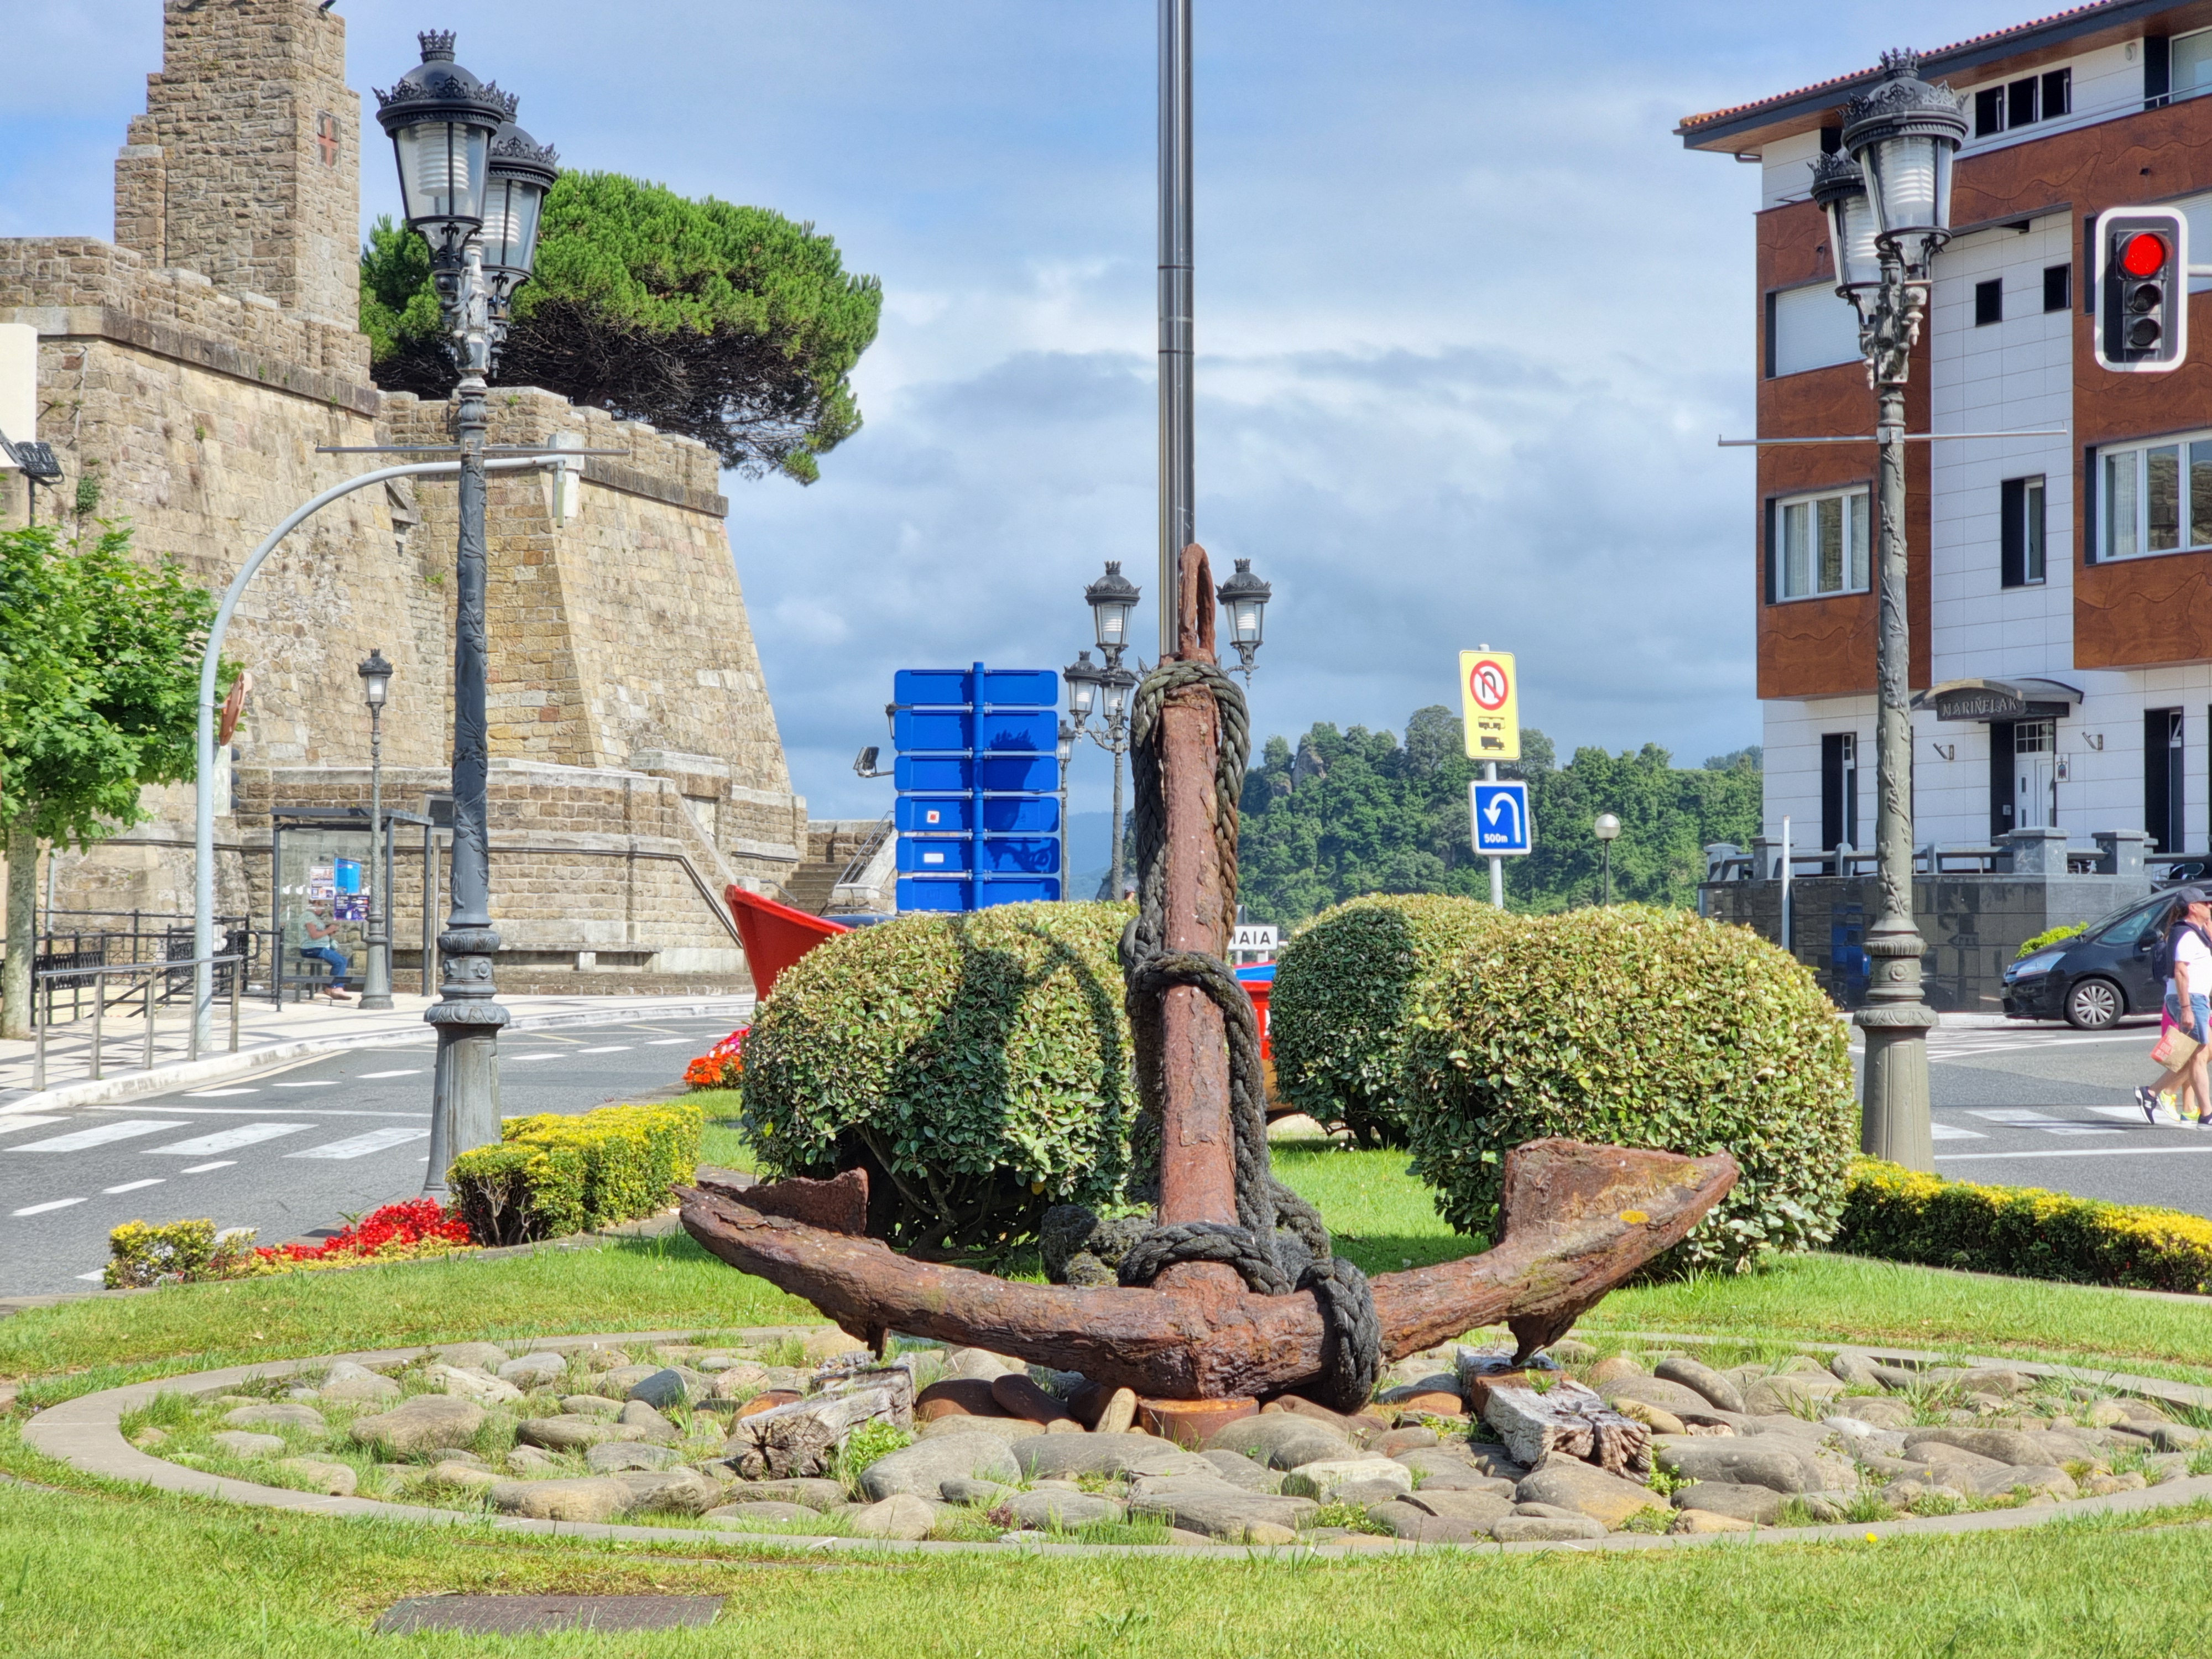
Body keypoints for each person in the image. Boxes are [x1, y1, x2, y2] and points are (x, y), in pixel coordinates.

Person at [2139, 888, 2212, 1124]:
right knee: (2198, 1054)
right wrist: (2186, 1007)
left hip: (2197, 999)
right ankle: (2206, 1113)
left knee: (2201, 1053)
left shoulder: (2197, 933)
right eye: (2205, 903)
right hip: (2190, 999)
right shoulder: (2186, 934)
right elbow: (2180, 971)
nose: (2210, 906)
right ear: (2193, 907)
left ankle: (2152, 1093)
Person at [288, 901, 356, 1003]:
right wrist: (328, 930)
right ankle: (336, 988)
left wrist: (329, 932)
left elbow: (319, 934)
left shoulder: (314, 917)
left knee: (342, 960)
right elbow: (314, 935)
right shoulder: (308, 916)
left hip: (320, 947)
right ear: (316, 904)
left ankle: (333, 988)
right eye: (322, 905)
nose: (324, 908)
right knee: (340, 961)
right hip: (311, 949)